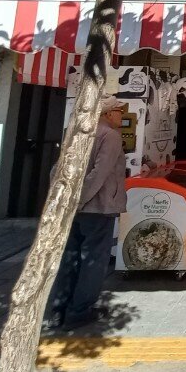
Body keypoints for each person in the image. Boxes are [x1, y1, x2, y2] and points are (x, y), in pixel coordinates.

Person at [48, 95, 128, 330]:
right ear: (108, 113)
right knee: (93, 259)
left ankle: (59, 310)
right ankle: (79, 311)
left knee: (70, 256)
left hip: (71, 208)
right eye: (119, 111)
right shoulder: (110, 136)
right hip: (96, 207)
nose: (122, 116)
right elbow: (99, 173)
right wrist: (80, 199)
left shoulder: (77, 132)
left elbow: (57, 169)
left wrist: (64, 199)